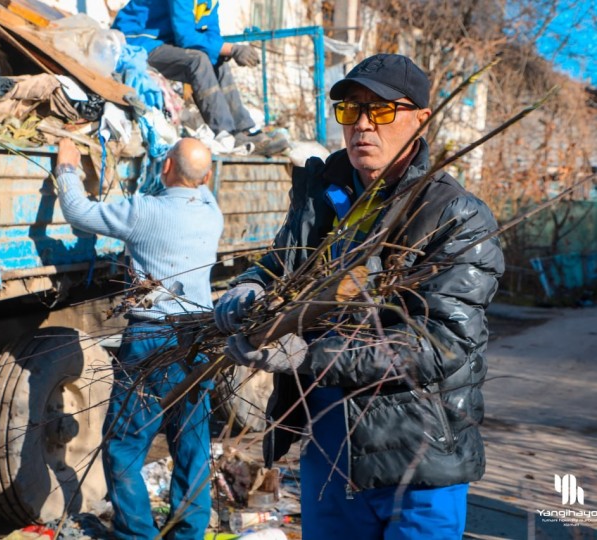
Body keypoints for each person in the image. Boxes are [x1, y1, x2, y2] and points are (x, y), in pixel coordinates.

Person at [214, 53, 505, 539]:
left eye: (382, 110)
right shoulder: (324, 197)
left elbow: (440, 344)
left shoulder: (455, 216)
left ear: (421, 119)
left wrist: (309, 354)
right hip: (329, 450)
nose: (363, 125)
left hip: (417, 453)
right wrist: (249, 290)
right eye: (351, 110)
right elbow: (282, 265)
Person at [55, 137, 224, 539]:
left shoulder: (145, 212)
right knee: (193, 445)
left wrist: (66, 166)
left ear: (165, 169)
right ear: (208, 178)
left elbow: (79, 212)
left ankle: (137, 535)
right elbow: (190, 179)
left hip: (153, 338)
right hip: (201, 337)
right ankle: (188, 534)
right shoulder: (211, 210)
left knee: (124, 446)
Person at [112, 0, 290, 156]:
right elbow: (186, 37)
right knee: (198, 60)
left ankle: (245, 130)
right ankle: (226, 134)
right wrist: (232, 49)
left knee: (216, 58)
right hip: (137, 43)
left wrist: (224, 50)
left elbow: (211, 35)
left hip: (165, 42)